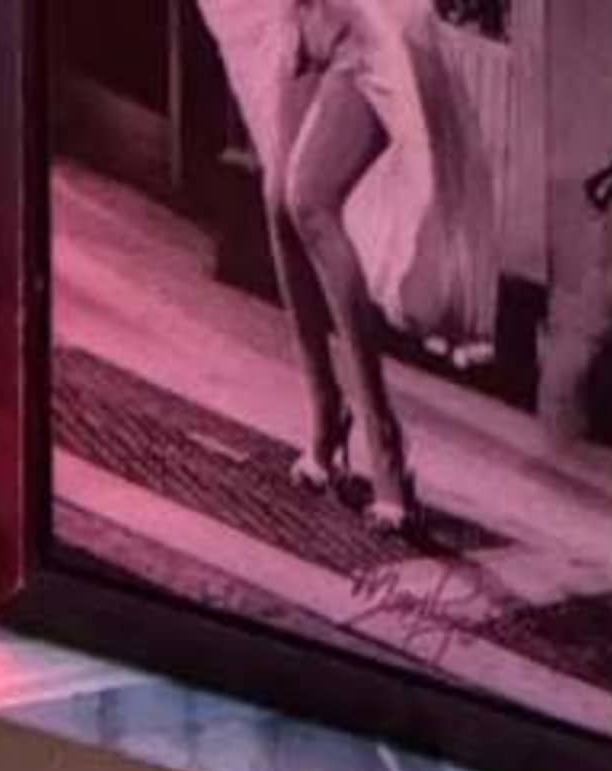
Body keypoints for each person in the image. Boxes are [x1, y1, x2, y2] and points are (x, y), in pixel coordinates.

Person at [194, 0, 494, 546]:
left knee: (308, 197)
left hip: (370, 20)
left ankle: (383, 438)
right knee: (278, 200)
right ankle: (326, 412)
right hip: (300, 12)